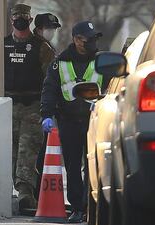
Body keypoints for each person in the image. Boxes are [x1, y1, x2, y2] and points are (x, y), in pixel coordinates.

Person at [40, 21, 110, 223]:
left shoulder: (101, 61)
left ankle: (91, 207)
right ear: (77, 40)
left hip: (94, 121)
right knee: (72, 167)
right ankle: (77, 209)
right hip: (68, 121)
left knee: (92, 166)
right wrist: (47, 114)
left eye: (95, 38)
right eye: (88, 39)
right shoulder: (59, 62)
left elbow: (111, 86)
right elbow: (50, 89)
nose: (92, 42)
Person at [4, 4, 55, 212]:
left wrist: (48, 108)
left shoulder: (41, 47)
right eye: (16, 16)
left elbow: (50, 79)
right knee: (10, 152)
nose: (20, 20)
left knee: (28, 151)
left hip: (32, 106)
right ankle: (8, 191)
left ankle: (26, 193)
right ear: (11, 20)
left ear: (30, 20)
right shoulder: (3, 46)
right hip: (8, 105)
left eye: (24, 17)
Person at [32, 12, 61, 201]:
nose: (51, 32)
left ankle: (35, 193)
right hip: (38, 104)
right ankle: (36, 193)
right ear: (40, 29)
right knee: (37, 151)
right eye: (49, 29)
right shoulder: (43, 47)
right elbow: (50, 78)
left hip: (37, 103)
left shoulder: (45, 46)